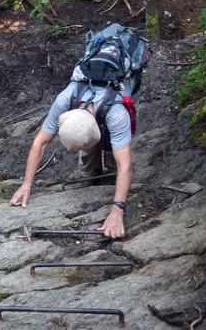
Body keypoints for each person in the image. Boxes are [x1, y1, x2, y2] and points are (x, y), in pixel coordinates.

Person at [10, 79, 135, 240]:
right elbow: (40, 143)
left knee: (115, 156)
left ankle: (112, 177)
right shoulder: (65, 99)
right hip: (93, 110)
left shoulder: (117, 114)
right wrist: (26, 185)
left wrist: (118, 210)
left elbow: (124, 165)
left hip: (118, 96)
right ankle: (90, 173)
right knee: (87, 151)